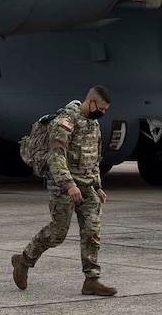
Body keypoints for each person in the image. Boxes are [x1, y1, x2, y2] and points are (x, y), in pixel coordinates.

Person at [11, 87, 115, 297]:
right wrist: (69, 185)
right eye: (100, 109)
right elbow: (56, 157)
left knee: (92, 231)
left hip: (86, 185)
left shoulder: (94, 125)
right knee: (58, 233)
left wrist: (97, 186)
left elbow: (94, 158)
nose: (102, 114)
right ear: (90, 102)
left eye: (105, 110)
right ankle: (24, 260)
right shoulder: (64, 122)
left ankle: (91, 280)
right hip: (63, 185)